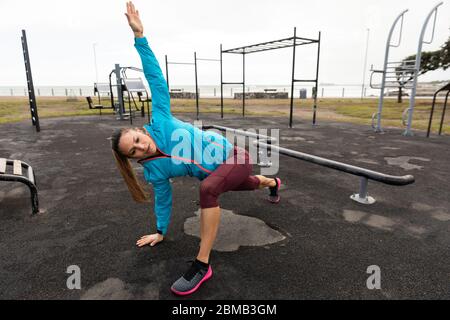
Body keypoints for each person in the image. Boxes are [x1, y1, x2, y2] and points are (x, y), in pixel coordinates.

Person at [111, 1, 281, 296]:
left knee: (208, 191)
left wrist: (140, 38)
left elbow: (156, 80)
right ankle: (274, 183)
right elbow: (162, 199)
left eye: (137, 140)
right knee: (254, 183)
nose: (140, 147)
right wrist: (160, 231)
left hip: (233, 157)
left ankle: (202, 265)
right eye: (133, 152)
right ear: (132, 159)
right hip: (219, 176)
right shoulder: (154, 171)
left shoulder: (160, 119)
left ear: (140, 131)